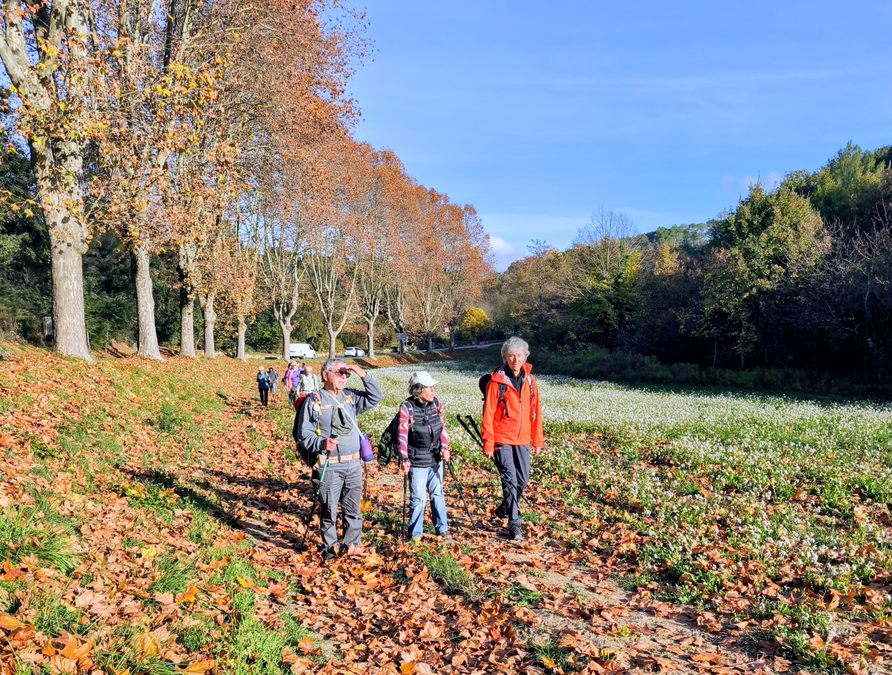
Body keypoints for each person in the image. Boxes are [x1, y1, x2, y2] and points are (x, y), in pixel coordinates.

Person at [298, 359, 381, 559]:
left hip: (353, 464)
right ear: (326, 375)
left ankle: (352, 545)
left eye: (346, 374)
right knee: (329, 510)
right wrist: (321, 443)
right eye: (339, 373)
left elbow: (375, 397)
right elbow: (304, 434)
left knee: (353, 509)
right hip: (329, 465)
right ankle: (330, 547)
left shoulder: (350, 397)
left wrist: (361, 373)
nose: (344, 377)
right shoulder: (314, 400)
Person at [481, 336, 543, 541]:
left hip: (523, 439)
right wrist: (488, 442)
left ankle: (505, 508)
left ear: (525, 356)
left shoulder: (531, 382)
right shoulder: (496, 382)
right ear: (505, 357)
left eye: (519, 355)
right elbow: (488, 414)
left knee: (523, 480)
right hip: (502, 438)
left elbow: (536, 413)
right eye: (511, 356)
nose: (515, 359)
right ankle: (515, 523)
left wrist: (537, 439)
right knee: (510, 479)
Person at [398, 371, 451, 541]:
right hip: (417, 460)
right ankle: (415, 534)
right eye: (429, 387)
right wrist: (404, 459)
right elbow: (402, 435)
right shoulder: (407, 407)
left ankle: (442, 530)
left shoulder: (436, 404)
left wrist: (445, 447)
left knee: (437, 494)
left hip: (435, 458)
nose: (433, 390)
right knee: (419, 498)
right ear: (419, 390)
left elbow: (442, 427)